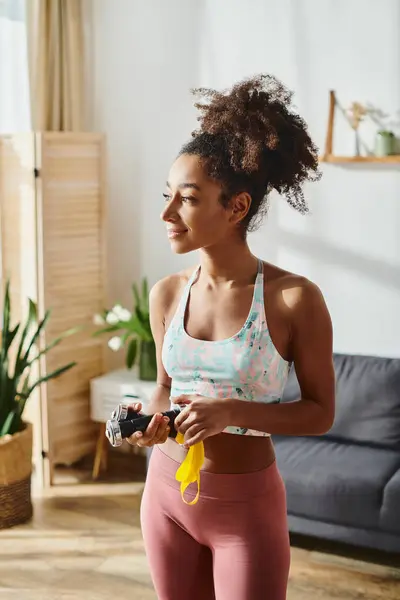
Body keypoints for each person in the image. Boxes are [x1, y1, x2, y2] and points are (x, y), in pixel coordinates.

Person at [127, 74, 335, 600]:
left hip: (245, 510)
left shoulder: (293, 300)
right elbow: (164, 389)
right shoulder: (167, 295)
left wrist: (231, 412)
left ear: (236, 207)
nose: (167, 213)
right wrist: (147, 422)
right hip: (166, 495)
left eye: (188, 199)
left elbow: (319, 412)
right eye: (167, 196)